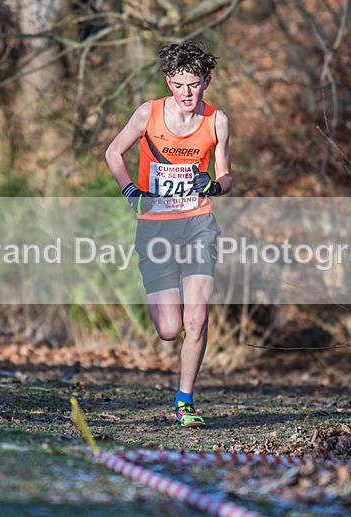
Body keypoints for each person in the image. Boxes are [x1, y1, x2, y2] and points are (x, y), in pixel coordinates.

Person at [105, 41, 232, 427]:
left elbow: (226, 176)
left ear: (207, 81)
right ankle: (172, 294)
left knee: (196, 319)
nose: (187, 93)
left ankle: (185, 401)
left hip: (198, 225)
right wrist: (130, 190)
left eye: (194, 84)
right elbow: (114, 153)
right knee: (169, 330)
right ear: (168, 82)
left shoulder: (217, 121)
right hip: (156, 228)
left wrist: (213, 186)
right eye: (179, 85)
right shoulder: (149, 113)